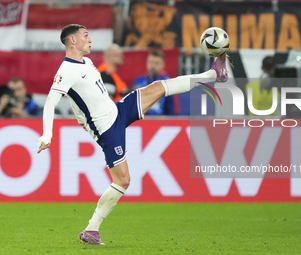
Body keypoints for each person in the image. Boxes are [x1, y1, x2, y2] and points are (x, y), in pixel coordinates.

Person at [37, 24, 227, 245]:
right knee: (123, 181)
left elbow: (83, 99)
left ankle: (214, 73)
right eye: (85, 36)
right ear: (72, 41)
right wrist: (47, 134)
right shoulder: (66, 71)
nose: (89, 40)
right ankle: (92, 229)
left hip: (118, 110)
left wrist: (81, 117)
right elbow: (51, 100)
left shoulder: (87, 62)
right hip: (108, 129)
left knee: (158, 87)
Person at [132, 50, 179, 115]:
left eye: (157, 63)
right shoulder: (138, 81)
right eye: (151, 62)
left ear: (163, 65)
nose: (153, 66)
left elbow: (172, 111)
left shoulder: (169, 84)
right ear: (146, 63)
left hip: (160, 121)